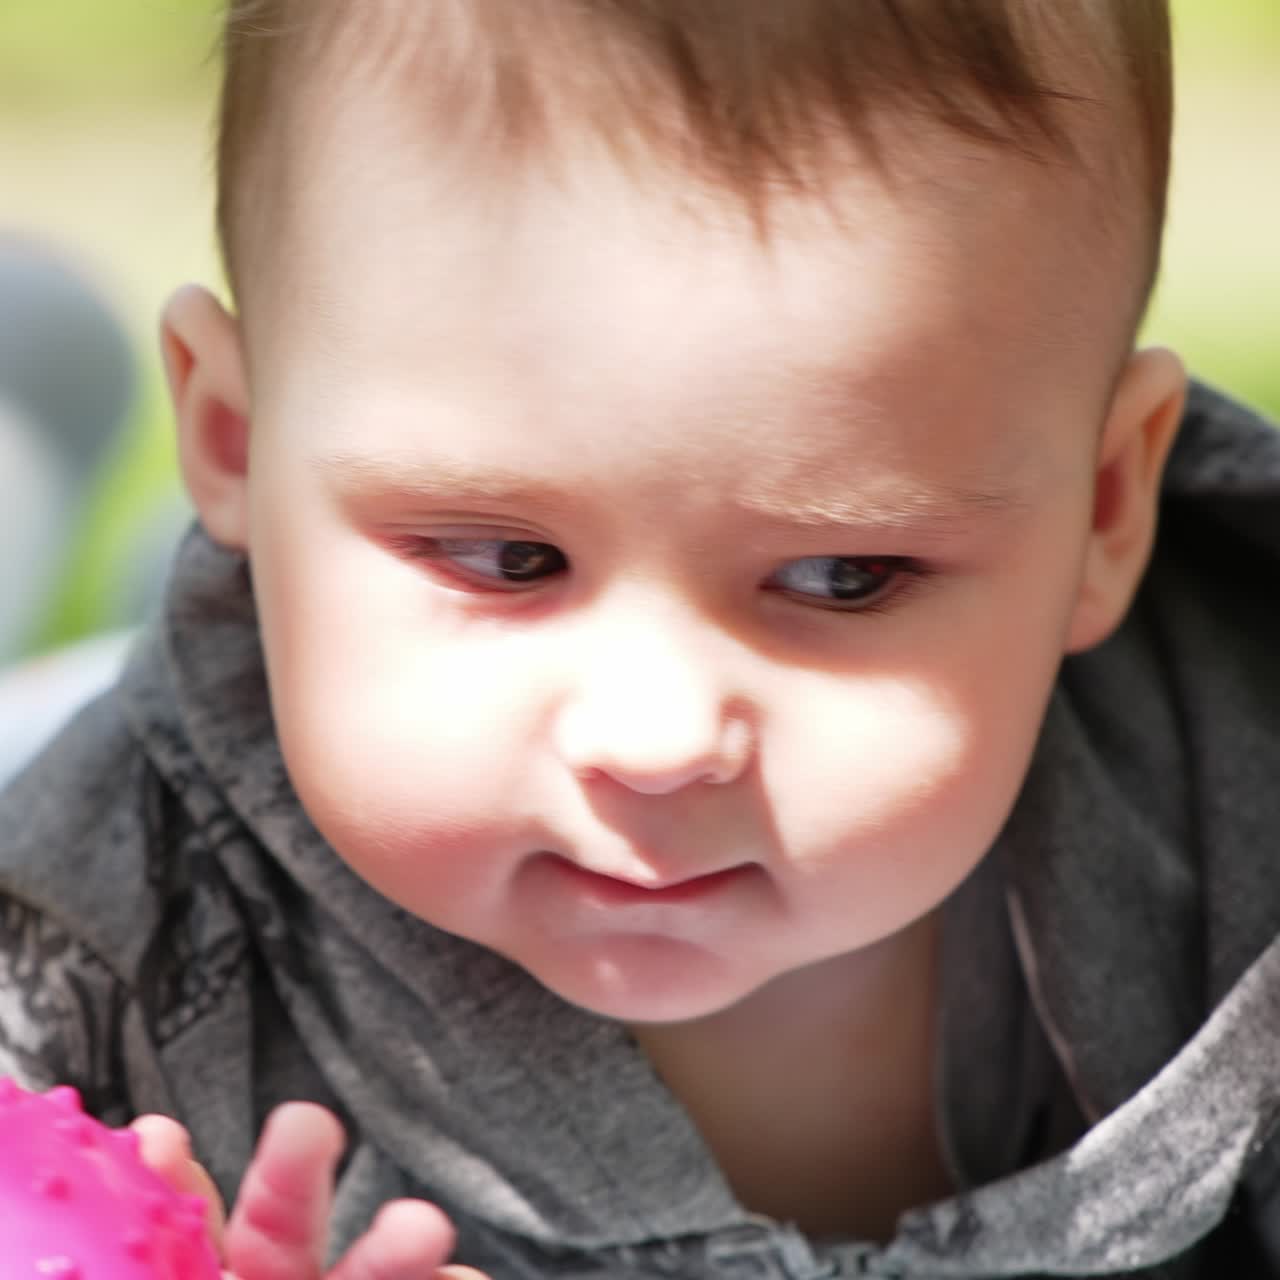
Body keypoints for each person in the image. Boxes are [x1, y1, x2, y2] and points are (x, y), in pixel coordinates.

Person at [3, 1, 1280, 1275]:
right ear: (234, 436)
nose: (656, 739)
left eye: (839, 576)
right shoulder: (93, 951)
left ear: (1104, 509)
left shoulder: (1235, 829)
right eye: (508, 557)